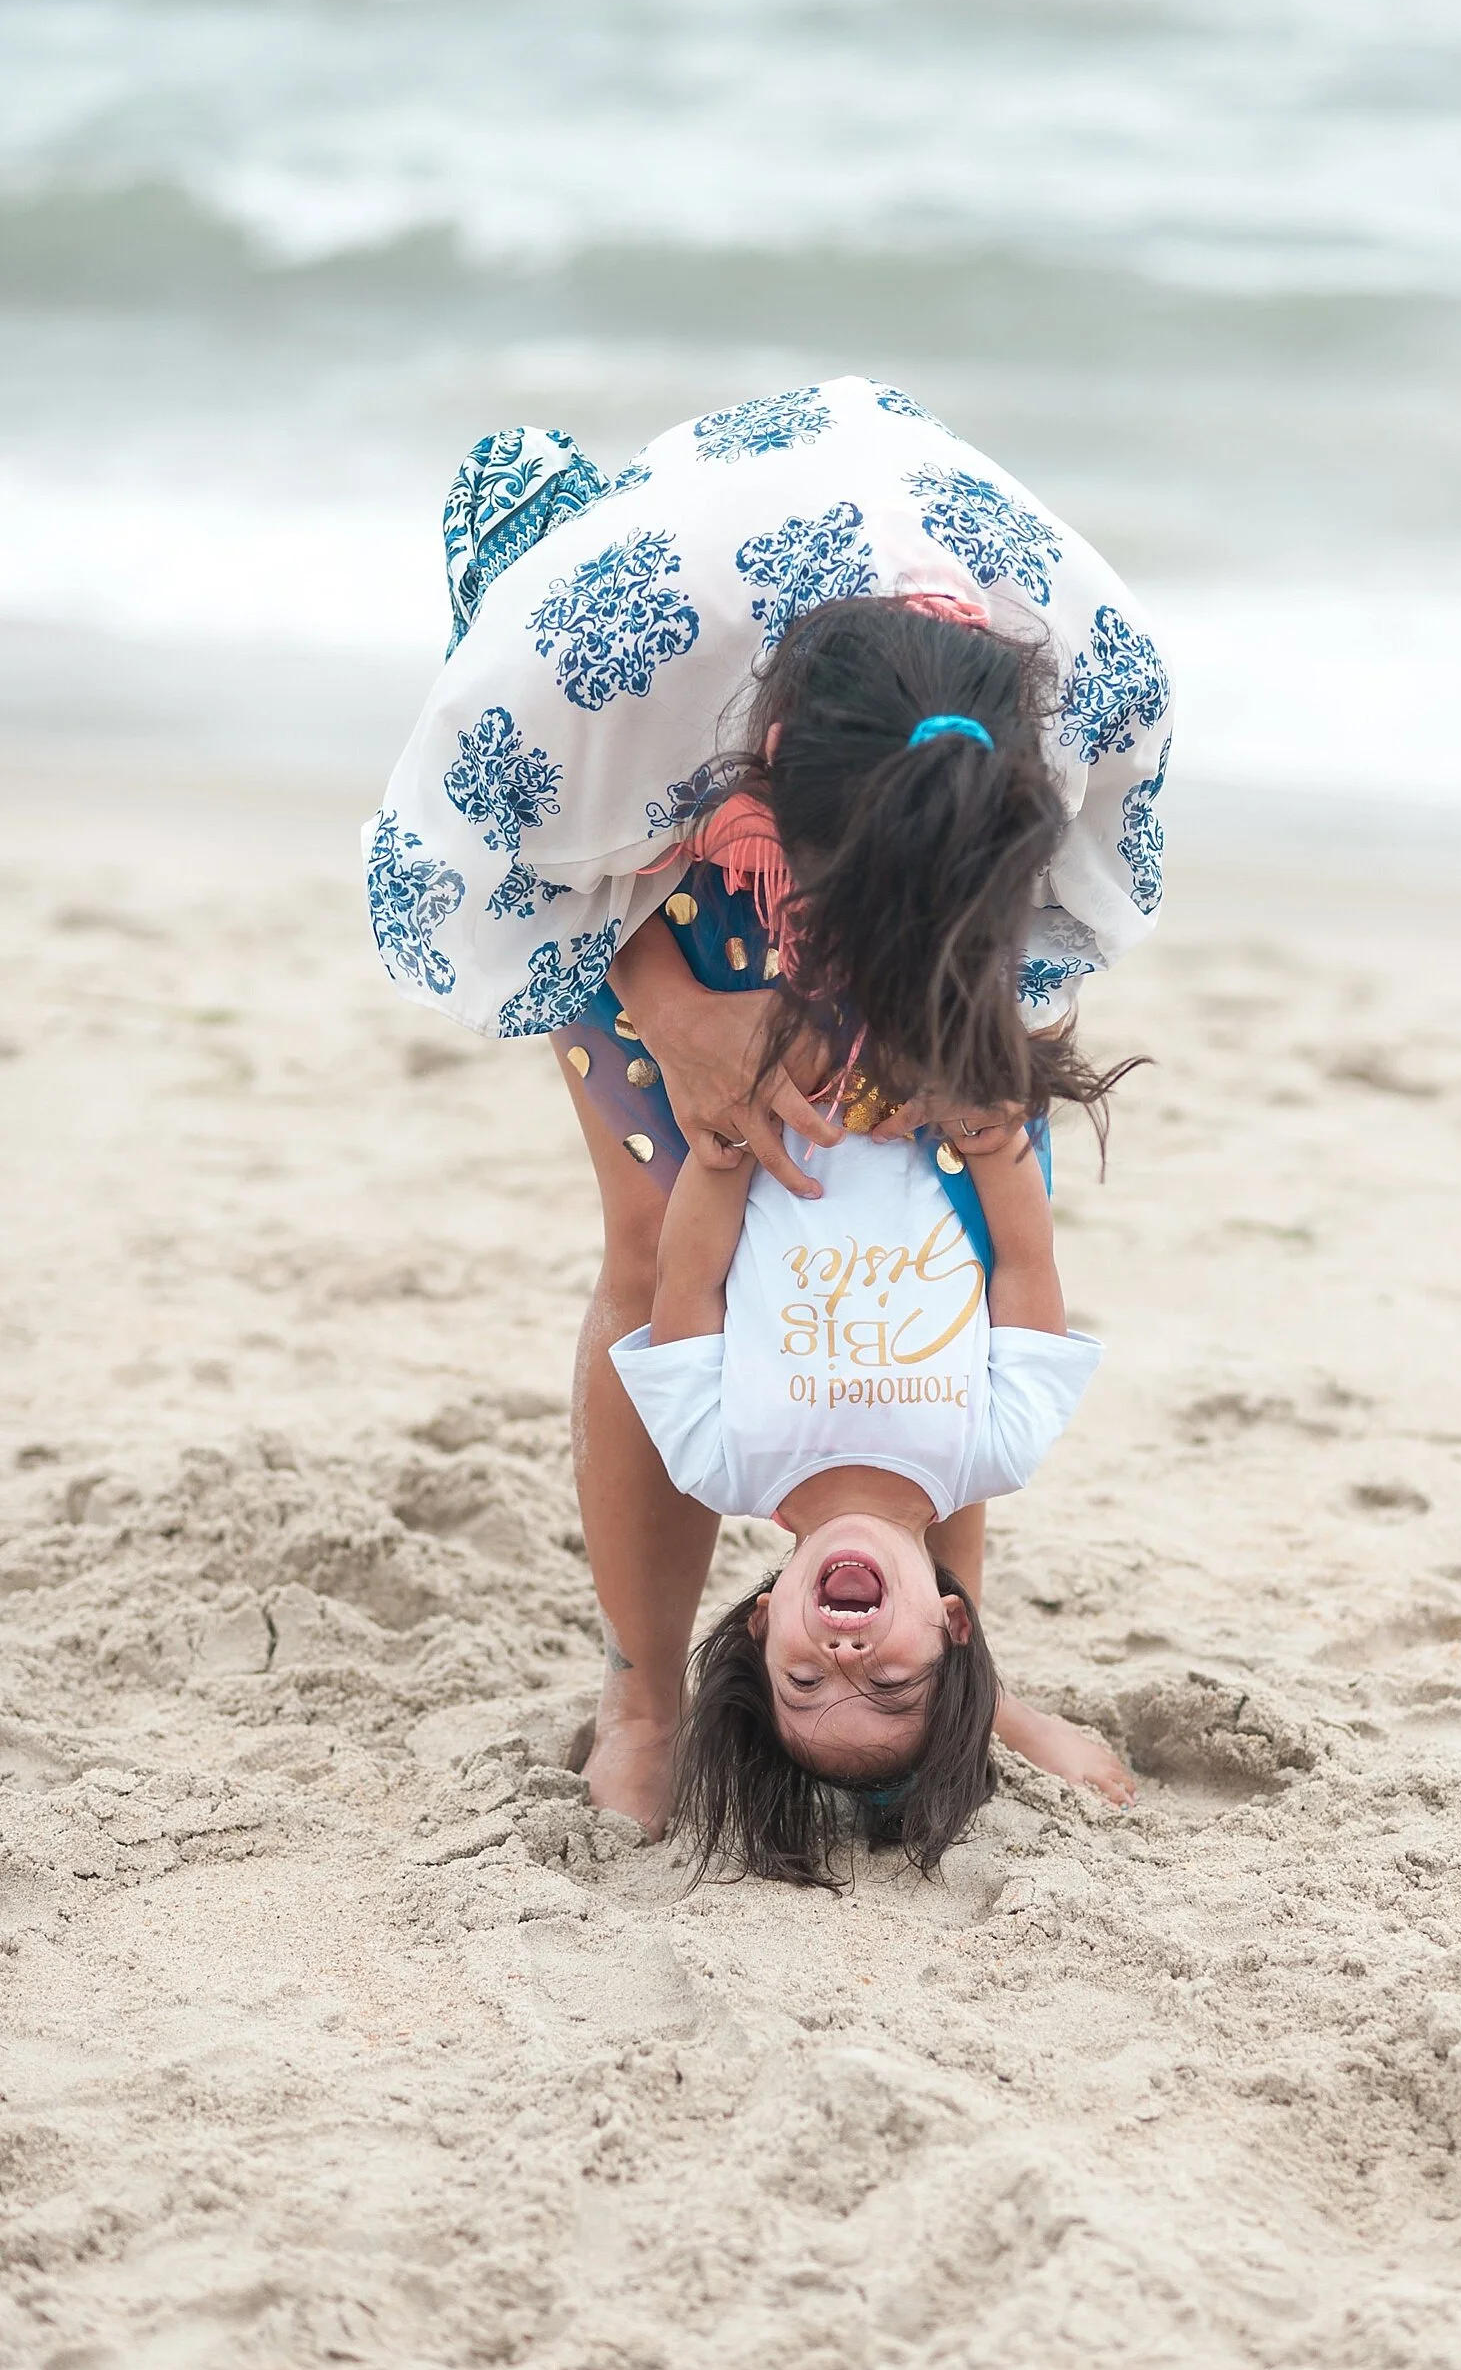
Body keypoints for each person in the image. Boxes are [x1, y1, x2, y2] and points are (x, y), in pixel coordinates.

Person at [364, 376, 1173, 1833]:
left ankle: (968, 1681)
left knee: (948, 1245)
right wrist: (675, 1012)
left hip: (926, 810)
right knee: (652, 1226)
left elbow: (1067, 931)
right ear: (762, 791)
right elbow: (479, 887)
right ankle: (645, 1693)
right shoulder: (598, 667)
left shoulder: (1094, 689)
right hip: (631, 821)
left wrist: (951, 1032)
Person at [613, 1072, 1136, 1884]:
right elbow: (1025, 1264)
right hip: (940, 1098)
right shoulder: (1000, 1447)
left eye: (805, 1679)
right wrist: (989, 1131)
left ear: (761, 1625)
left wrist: (735, 1135)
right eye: (888, 1681)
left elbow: (687, 1281)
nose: (846, 1652)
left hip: (764, 1092)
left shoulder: (712, 1458)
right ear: (954, 1625)